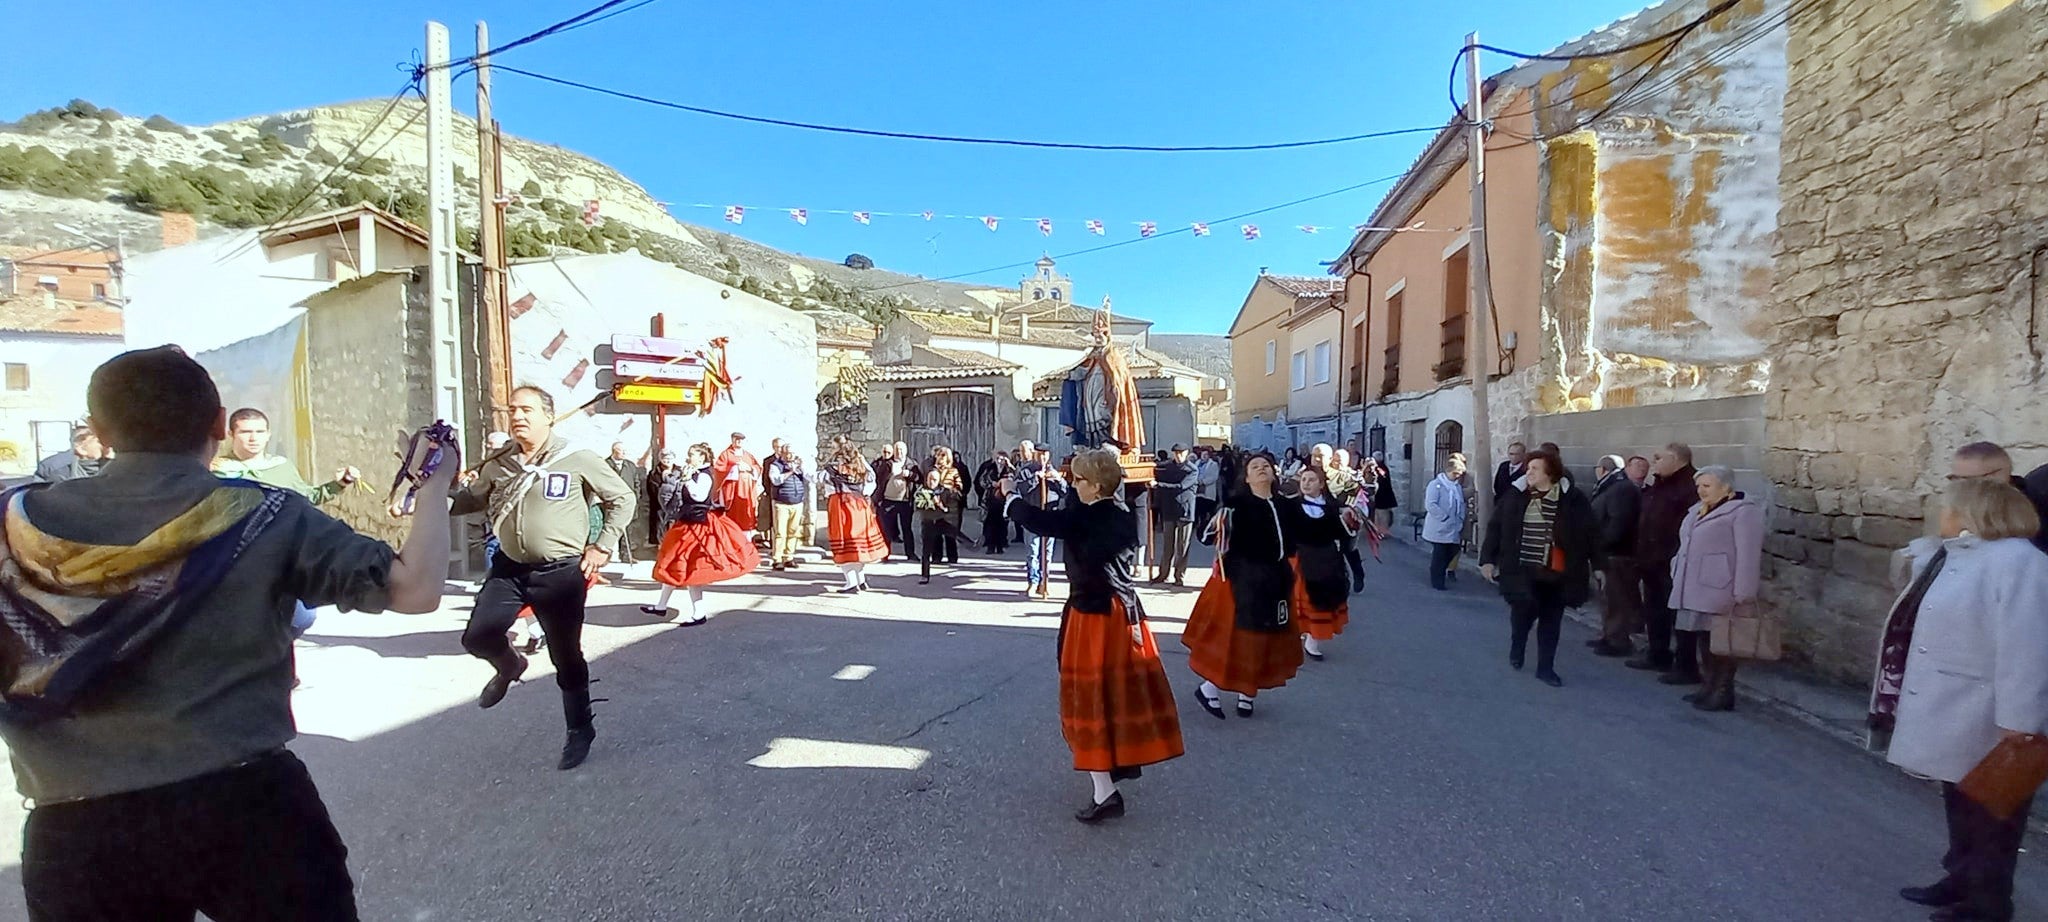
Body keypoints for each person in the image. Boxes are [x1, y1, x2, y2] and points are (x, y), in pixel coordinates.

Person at [0, 346, 453, 921]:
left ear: (97, 430)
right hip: (248, 809)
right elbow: (416, 591)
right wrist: (433, 483)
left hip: (74, 823)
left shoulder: (10, 525)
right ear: (219, 423)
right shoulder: (265, 516)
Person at [1872, 478, 2048, 922]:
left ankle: (1989, 903)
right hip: (1954, 702)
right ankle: (1962, 880)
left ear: (1974, 513)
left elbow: (2027, 647)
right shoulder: (1962, 557)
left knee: (1994, 816)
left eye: (1948, 509)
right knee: (1962, 804)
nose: (1941, 518)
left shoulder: (2020, 563)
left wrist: (2020, 724)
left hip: (1990, 712)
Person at [448, 385, 634, 771]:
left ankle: (580, 729)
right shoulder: (499, 463)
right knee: (478, 635)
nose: (517, 416)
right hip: (510, 566)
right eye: (512, 409)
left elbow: (622, 499)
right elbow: (470, 501)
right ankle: (510, 665)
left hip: (560, 571)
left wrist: (601, 545)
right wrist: (438, 492)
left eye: (526, 409)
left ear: (548, 415)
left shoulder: (576, 458)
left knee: (565, 654)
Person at [999, 447, 1183, 821]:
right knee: (1110, 697)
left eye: (1078, 479)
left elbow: (1046, 523)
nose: (1072, 483)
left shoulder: (1095, 516)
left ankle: (1106, 790)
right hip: (1113, 610)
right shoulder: (1109, 510)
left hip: (1098, 615)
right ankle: (1110, 775)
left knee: (1091, 699)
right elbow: (1063, 517)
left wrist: (1013, 498)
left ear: (1096, 485)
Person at [1183, 453, 1304, 718]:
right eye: (1255, 467)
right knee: (1238, 640)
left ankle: (1247, 693)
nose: (1262, 469)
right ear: (1246, 477)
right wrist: (1218, 522)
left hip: (1277, 581)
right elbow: (1206, 537)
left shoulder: (1286, 505)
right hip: (1243, 581)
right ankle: (1209, 688)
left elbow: (1305, 535)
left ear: (1273, 473)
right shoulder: (1236, 505)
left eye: (1266, 466)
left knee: (1267, 639)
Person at [1480, 451, 1595, 688]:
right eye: (1528, 468)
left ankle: (1546, 668)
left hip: (1556, 573)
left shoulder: (1572, 500)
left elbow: (1590, 534)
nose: (1528, 472)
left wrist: (1600, 566)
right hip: (1522, 572)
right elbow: (1495, 528)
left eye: (1534, 468)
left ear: (1550, 473)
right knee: (1521, 618)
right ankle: (1517, 647)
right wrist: (1488, 560)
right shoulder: (1515, 496)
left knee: (1551, 622)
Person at [1666, 465, 1764, 712]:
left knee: (1722, 643)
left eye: (1707, 486)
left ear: (1725, 486)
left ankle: (1723, 692)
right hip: (1695, 585)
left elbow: (1748, 554)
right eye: (1699, 486)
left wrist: (1744, 592)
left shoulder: (1743, 512)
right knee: (1704, 638)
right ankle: (1708, 686)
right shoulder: (1697, 510)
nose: (1701, 491)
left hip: (1722, 587)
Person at [643, 442, 759, 623]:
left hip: (698, 527)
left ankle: (699, 613)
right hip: (686, 524)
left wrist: (687, 479)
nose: (688, 457)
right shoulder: (694, 473)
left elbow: (699, 496)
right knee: (675, 564)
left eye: (692, 454)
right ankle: (661, 606)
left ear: (702, 457)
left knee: (691, 570)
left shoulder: (704, 476)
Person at [1627, 444, 1702, 682]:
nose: (1654, 462)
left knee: (1680, 615)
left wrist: (1671, 555)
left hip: (1672, 561)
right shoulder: (1660, 483)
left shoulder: (1691, 486)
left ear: (1676, 459)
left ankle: (1685, 665)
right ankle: (1657, 653)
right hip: (1651, 560)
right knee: (1655, 610)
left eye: (1659, 458)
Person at [211, 408, 359, 505]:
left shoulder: (281, 466)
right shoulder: (219, 471)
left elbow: (308, 498)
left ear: (268, 435)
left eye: (260, 432)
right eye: (245, 432)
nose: (253, 438)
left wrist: (341, 482)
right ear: (231, 434)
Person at [1293, 466, 1361, 660]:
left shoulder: (1332, 507)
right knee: (1300, 600)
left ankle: (1312, 641)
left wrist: (1350, 521)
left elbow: (1342, 534)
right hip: (1301, 559)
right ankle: (1297, 636)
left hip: (1326, 559)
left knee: (1321, 601)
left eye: (1311, 480)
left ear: (1321, 484)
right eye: (1304, 479)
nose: (1306, 483)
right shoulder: (1293, 506)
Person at [1589, 454, 1644, 658]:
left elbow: (1618, 523)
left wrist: (1602, 546)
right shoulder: (1612, 486)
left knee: (1617, 598)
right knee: (1607, 597)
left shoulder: (1620, 489)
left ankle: (1618, 640)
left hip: (1617, 553)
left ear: (1602, 469)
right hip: (1608, 552)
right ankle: (1608, 634)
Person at [1950, 441, 2048, 555]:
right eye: (1955, 479)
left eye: (1968, 481)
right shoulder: (1954, 506)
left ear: (1998, 475)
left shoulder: (2037, 500)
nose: (1959, 487)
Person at [825, 438, 888, 592]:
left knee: (844, 542)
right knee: (857, 544)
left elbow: (821, 478)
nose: (831, 449)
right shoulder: (859, 461)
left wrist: (804, 470)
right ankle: (860, 580)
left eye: (833, 446)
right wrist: (863, 492)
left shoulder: (835, 465)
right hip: (859, 504)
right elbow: (871, 479)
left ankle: (851, 582)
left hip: (841, 504)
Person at [1015, 445, 1069, 599]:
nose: (1042, 458)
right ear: (1035, 455)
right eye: (1039, 454)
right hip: (1032, 515)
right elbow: (1020, 490)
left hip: (1050, 515)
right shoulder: (1027, 471)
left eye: (1045, 454)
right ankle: (1033, 581)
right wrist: (1034, 479)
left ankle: (1044, 582)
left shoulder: (1054, 471)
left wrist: (1058, 480)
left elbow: (1065, 492)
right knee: (1033, 551)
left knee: (1047, 553)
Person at [1151, 444, 1196, 585]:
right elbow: (1156, 470)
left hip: (1185, 511)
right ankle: (1163, 574)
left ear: (1187, 453)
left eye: (1181, 453)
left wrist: (1158, 485)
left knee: (1182, 546)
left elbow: (1181, 486)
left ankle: (1179, 576)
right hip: (1169, 510)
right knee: (1167, 545)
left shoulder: (1191, 470)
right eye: (1176, 453)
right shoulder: (1168, 467)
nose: (1178, 455)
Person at [1424, 453, 1468, 591]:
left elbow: (1460, 503)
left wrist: (1460, 518)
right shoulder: (1435, 485)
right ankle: (1437, 580)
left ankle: (1440, 571)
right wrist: (1444, 517)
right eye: (1456, 473)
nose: (1458, 476)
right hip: (1439, 526)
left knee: (1453, 549)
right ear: (1449, 471)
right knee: (1440, 553)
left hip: (1454, 526)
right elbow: (1431, 504)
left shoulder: (1456, 487)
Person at [914, 467, 965, 585]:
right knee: (926, 551)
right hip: (928, 523)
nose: (932, 481)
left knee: (955, 533)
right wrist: (933, 503)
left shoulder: (943, 490)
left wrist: (951, 497)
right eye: (930, 479)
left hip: (940, 521)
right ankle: (925, 575)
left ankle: (973, 545)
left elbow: (950, 504)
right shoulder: (921, 491)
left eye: (935, 479)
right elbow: (919, 504)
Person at [766, 439, 810, 571]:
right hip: (781, 502)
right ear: (783, 453)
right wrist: (790, 471)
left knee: (793, 531)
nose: (791, 456)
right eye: (788, 453)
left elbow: (810, 477)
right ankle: (777, 559)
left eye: (792, 453)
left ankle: (789, 557)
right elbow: (775, 480)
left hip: (797, 502)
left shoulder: (798, 465)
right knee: (780, 532)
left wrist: (801, 466)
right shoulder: (776, 465)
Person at [873, 442, 920, 561]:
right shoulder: (888, 463)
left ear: (906, 451)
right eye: (897, 450)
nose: (899, 452)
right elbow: (878, 479)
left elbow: (920, 479)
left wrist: (910, 474)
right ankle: (885, 554)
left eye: (901, 450)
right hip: (888, 500)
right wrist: (877, 499)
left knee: (907, 529)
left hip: (905, 501)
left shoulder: (911, 464)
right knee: (886, 529)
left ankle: (911, 554)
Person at [714, 432, 764, 542]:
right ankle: (732, 539)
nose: (739, 441)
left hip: (747, 490)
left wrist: (750, 469)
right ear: (732, 440)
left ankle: (746, 541)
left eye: (741, 440)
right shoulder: (726, 454)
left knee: (746, 513)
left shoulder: (747, 455)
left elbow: (757, 467)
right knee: (733, 514)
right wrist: (735, 469)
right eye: (736, 439)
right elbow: (718, 469)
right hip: (733, 490)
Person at [923, 445, 967, 564]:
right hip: (936, 504)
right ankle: (937, 556)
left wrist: (949, 489)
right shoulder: (933, 470)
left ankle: (952, 557)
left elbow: (959, 487)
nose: (940, 458)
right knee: (936, 532)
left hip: (950, 505)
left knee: (950, 532)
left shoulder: (953, 471)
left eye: (943, 456)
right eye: (939, 455)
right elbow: (927, 484)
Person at [604, 442, 644, 566]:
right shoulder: (605, 465)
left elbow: (636, 483)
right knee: (610, 528)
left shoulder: (630, 465)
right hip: (612, 502)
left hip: (628, 502)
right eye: (622, 451)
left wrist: (635, 497)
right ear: (614, 451)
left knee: (628, 528)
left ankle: (626, 554)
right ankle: (605, 555)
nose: (625, 453)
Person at [32, 425, 108, 484]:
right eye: (99, 441)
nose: (107, 445)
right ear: (81, 449)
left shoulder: (115, 465)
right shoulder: (53, 469)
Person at [975, 450, 1015, 553]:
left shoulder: (1008, 469)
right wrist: (991, 484)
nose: (999, 461)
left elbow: (1015, 478)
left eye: (1002, 459)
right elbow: (981, 480)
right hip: (991, 500)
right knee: (990, 524)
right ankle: (990, 546)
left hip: (1004, 500)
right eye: (997, 458)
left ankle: (1000, 545)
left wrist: (1009, 465)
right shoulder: (989, 468)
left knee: (1002, 524)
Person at [1194, 446, 1222, 534]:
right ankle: (1195, 525)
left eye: (1206, 455)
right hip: (1197, 490)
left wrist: (1203, 481)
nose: (1204, 456)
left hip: (1207, 491)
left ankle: (1203, 526)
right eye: (1203, 454)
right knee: (1196, 509)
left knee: (1204, 510)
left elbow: (1214, 477)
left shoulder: (1213, 464)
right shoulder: (1197, 463)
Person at [1371, 451, 1399, 530]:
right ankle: (1378, 530)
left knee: (1382, 513)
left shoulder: (1381, 468)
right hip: (1380, 494)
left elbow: (1382, 479)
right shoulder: (1380, 467)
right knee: (1377, 513)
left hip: (1383, 494)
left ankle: (1383, 531)